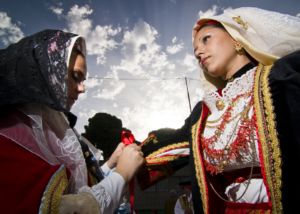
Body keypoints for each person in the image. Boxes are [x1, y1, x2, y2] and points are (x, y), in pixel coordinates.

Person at [139, 7, 300, 214]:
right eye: (195, 51)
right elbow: (175, 146)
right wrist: (126, 158)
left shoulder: (280, 78)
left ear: (236, 37)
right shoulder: (205, 110)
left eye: (206, 39)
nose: (198, 52)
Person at [0, 29, 144, 213]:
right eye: (75, 76)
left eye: (83, 80)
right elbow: (57, 207)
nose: (82, 89)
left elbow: (78, 187)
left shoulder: (57, 123)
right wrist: (121, 174)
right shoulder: (8, 132)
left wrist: (110, 164)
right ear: (47, 71)